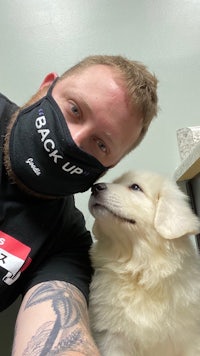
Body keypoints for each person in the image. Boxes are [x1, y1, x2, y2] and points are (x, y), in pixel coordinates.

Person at [0, 55, 158, 355]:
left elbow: (58, 329)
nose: (72, 140)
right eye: (74, 109)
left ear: (109, 166)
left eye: (101, 144)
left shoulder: (66, 242)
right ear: (47, 85)